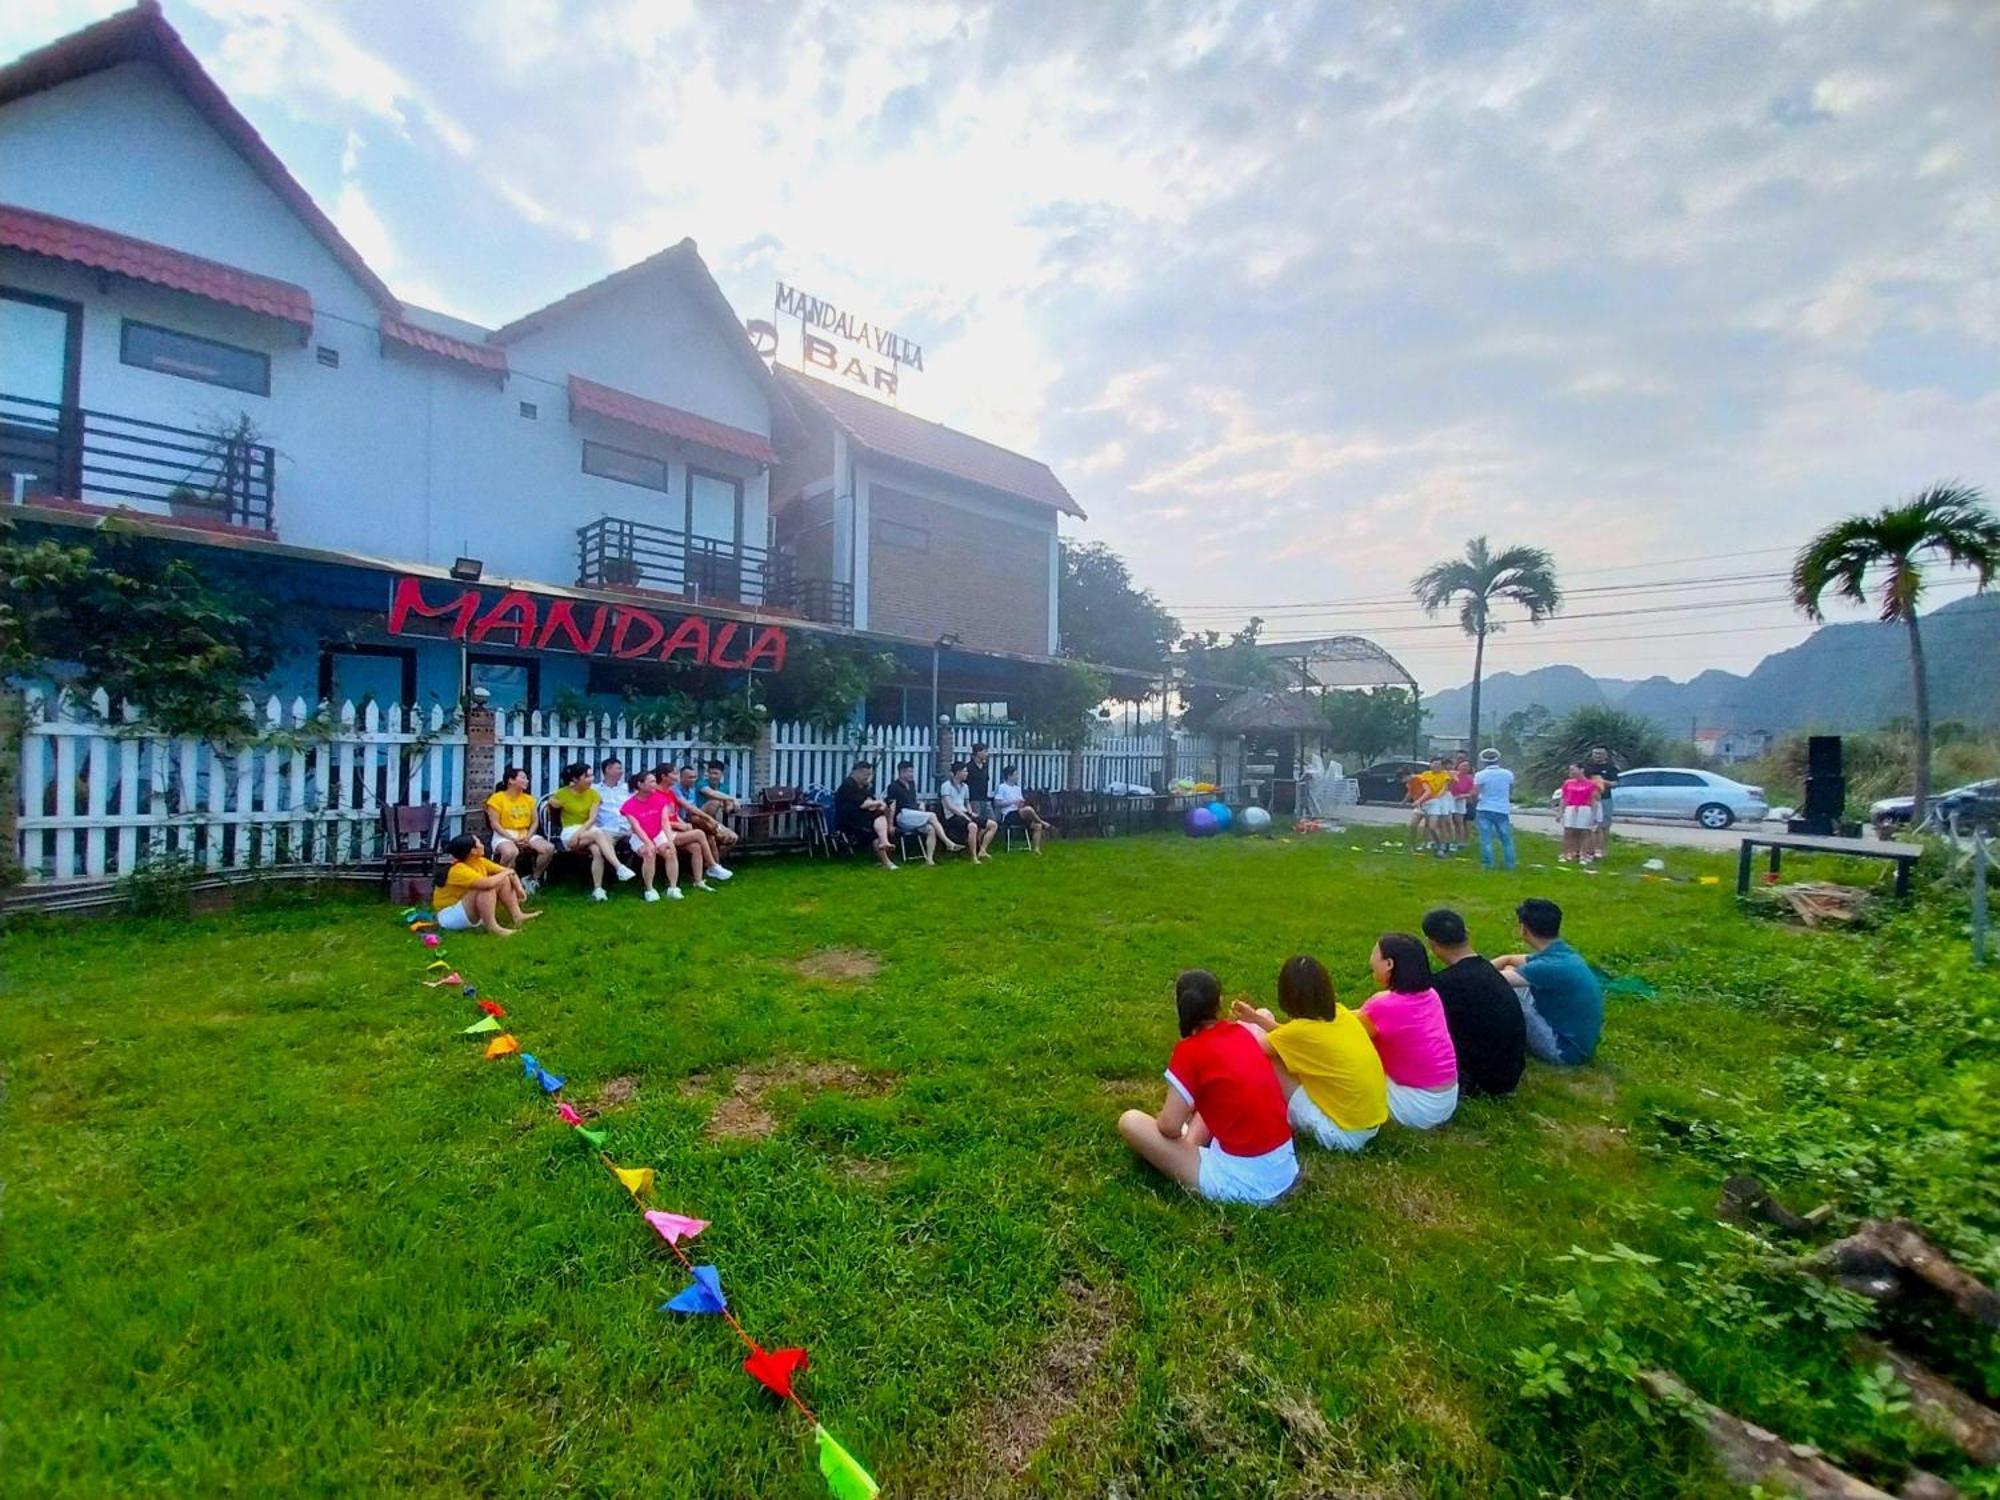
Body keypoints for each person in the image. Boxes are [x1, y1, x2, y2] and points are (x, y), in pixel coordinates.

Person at [1117, 968, 1298, 1204]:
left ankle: (1188, 1150)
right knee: (1216, 1096)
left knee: (1130, 1121)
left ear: (1179, 1006)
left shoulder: (1189, 1051)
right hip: (1284, 1165)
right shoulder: (1242, 1034)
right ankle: (1190, 1147)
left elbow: (1169, 1127)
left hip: (1246, 1183)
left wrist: (1168, 1124)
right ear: (1219, 1003)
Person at [1231, 955, 1388, 1152]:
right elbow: (1289, 1037)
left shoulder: (1300, 1033)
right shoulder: (1341, 1014)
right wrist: (1256, 1019)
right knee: (1271, 1037)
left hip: (1343, 1135)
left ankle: (1250, 1115)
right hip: (1368, 1125)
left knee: (1266, 1060)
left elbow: (1249, 1051)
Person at [1419, 908, 1526, 1098]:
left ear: (1432, 944)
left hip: (1482, 1081)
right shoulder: (1491, 973)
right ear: (1467, 934)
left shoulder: (1442, 986)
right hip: (1510, 1073)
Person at [1357, 933, 1459, 1128]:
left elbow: (1347, 1034)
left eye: (1374, 954)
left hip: (1417, 1106)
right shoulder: (1430, 995)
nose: (1371, 960)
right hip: (1446, 1098)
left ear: (1389, 964)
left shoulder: (1383, 1005)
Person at [1492, 898, 1606, 1067]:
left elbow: (1485, 980)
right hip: (1579, 1043)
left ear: (1524, 928)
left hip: (1564, 1051)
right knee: (1509, 971)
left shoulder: (1547, 967)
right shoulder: (1562, 953)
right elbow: (1510, 960)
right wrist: (1502, 959)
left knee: (1501, 991)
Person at [550, 760, 635, 901]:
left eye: (591, 776)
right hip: (570, 832)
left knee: (597, 850)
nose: (591, 779)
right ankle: (619, 867)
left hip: (587, 830)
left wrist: (579, 833)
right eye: (587, 776)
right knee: (598, 833)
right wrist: (576, 833)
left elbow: (592, 819)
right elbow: (552, 805)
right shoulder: (562, 794)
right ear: (576, 779)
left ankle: (598, 889)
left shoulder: (593, 794)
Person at [432, 832, 540, 935]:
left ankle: (517, 915)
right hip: (448, 917)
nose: (482, 844)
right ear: (472, 851)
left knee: (502, 880)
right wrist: (507, 872)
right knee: (487, 886)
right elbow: (488, 883)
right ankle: (492, 927)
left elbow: (507, 873)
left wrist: (519, 888)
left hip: (464, 908)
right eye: (479, 842)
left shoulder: (479, 861)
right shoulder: (458, 869)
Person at [634, 766, 718, 894]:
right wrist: (679, 826)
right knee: (699, 833)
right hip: (662, 832)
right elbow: (656, 820)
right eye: (674, 773)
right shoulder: (653, 795)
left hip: (671, 830)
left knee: (695, 846)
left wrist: (683, 824)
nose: (677, 776)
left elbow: (675, 814)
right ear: (664, 776)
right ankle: (712, 866)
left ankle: (698, 881)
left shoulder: (671, 792)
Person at [483, 766, 553, 892]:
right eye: (523, 778)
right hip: (504, 833)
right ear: (511, 780)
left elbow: (535, 821)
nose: (527, 781)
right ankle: (499, 881)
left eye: (527, 778)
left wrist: (528, 836)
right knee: (511, 852)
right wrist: (511, 839)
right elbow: (495, 824)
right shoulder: (497, 799)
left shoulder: (529, 799)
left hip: (525, 833)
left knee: (548, 848)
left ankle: (533, 879)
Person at [884, 760, 959, 865]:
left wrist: (920, 806)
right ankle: (948, 842)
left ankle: (929, 860)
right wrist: (890, 825)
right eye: (909, 772)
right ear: (901, 772)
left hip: (912, 816)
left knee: (931, 829)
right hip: (902, 816)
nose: (911, 774)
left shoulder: (911, 784)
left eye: (912, 772)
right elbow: (892, 806)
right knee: (932, 816)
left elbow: (912, 802)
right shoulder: (893, 786)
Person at [668, 766, 735, 880]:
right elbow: (688, 808)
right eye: (690, 777)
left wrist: (730, 803)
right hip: (684, 822)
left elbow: (695, 808)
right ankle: (713, 864)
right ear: (681, 777)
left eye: (694, 777)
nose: (693, 780)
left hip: (693, 820)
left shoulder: (692, 789)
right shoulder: (675, 790)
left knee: (714, 838)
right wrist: (710, 820)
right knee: (701, 829)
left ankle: (713, 868)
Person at [834, 760, 897, 870]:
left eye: (869, 774)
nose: (868, 777)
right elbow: (863, 804)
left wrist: (878, 805)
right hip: (847, 821)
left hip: (860, 817)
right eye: (866, 774)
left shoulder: (863, 786)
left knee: (879, 816)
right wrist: (878, 803)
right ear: (857, 772)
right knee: (874, 830)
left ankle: (884, 847)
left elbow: (869, 801)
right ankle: (886, 858)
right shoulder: (848, 785)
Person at [938, 761, 998, 861]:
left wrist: (970, 812)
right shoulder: (946, 786)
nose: (967, 773)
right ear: (958, 772)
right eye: (964, 771)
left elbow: (967, 803)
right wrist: (964, 815)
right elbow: (949, 806)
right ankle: (973, 857)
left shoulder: (965, 787)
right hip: (952, 816)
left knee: (993, 825)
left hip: (965, 813)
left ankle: (982, 851)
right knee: (972, 826)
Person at [1471, 747, 1517, 871]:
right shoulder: (1508, 774)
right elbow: (1511, 790)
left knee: (1486, 839)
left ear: (1483, 761)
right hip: (1502, 809)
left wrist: (1476, 800)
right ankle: (1510, 864)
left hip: (1485, 808)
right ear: (1498, 759)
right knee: (1506, 838)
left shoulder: (1480, 775)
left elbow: (1475, 792)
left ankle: (1487, 864)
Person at [992, 763, 1047, 853]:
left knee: (1037, 826)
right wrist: (1012, 802)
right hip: (1008, 815)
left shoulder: (1017, 788)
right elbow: (997, 803)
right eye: (1015, 774)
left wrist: (1021, 803)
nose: (1017, 776)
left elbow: (1021, 802)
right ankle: (1042, 821)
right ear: (1009, 776)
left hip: (1019, 813)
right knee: (1028, 810)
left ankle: (1036, 849)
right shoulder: (1002, 787)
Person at [1557, 762, 1600, 864]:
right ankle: (1566, 853)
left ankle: (1583, 855)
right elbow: (1564, 799)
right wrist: (1560, 812)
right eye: (1570, 770)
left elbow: (1594, 800)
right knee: (1568, 831)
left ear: (1581, 770)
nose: (1571, 772)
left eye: (1573, 769)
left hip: (1585, 808)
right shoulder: (1568, 783)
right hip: (1571, 808)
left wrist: (1594, 815)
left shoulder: (1591, 784)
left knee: (1584, 832)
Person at [1586, 746, 1620, 862]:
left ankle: (1602, 850)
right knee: (1589, 825)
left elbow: (1615, 783)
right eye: (1595, 753)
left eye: (1600, 754)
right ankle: (1589, 849)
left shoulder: (1611, 768)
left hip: (1605, 799)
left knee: (1604, 825)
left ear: (1605, 755)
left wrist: (1603, 782)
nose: (1597, 756)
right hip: (1589, 799)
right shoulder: (1587, 768)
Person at [1421, 756, 1454, 855]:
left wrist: (1436, 797)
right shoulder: (1425, 774)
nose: (1436, 766)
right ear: (1430, 764)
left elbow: (1445, 788)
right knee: (1430, 824)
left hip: (1441, 800)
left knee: (1443, 823)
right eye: (1434, 763)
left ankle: (1445, 844)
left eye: (1439, 764)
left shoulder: (1445, 774)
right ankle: (1434, 842)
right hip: (1429, 801)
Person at [1448, 756, 1476, 850]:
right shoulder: (1452, 774)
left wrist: (1463, 796)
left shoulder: (1469, 778)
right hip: (1450, 799)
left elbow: (1473, 791)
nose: (1465, 768)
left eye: (1467, 766)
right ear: (1458, 766)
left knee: (1459, 821)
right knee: (1449, 821)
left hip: (1460, 800)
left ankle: (1461, 841)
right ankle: (1450, 840)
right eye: (1463, 765)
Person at [965, 743, 994, 819]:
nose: (986, 754)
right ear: (978, 752)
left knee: (992, 820)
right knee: (977, 820)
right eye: (985, 752)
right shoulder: (969, 767)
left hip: (984, 798)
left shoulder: (985, 766)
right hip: (973, 799)